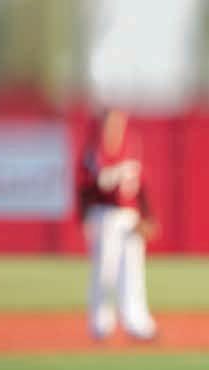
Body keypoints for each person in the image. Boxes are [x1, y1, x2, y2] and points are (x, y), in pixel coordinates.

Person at [77, 108, 158, 341]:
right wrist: (84, 216)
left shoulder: (130, 147)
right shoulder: (95, 151)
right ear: (102, 126)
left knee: (133, 270)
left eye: (119, 123)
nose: (115, 128)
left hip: (129, 215)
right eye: (111, 124)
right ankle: (101, 324)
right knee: (105, 271)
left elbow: (140, 183)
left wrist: (148, 215)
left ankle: (137, 322)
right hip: (105, 216)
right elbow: (95, 184)